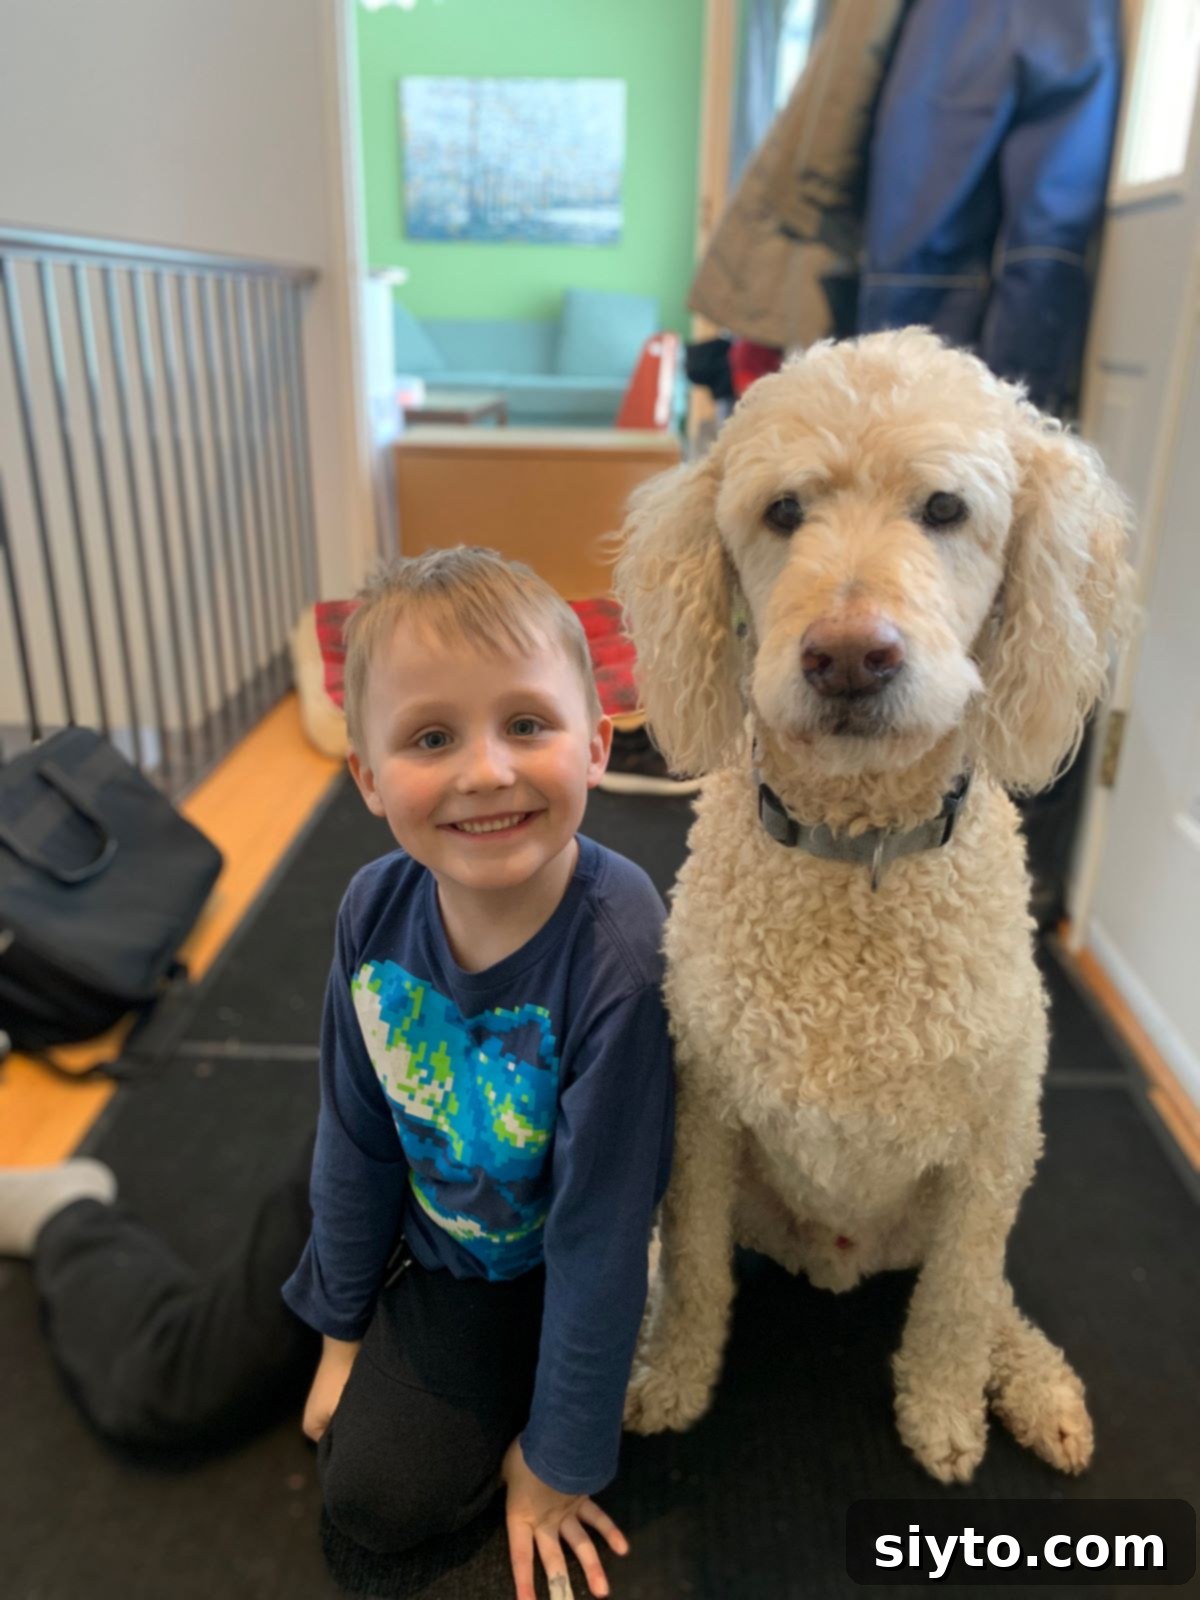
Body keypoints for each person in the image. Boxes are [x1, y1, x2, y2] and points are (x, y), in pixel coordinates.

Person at [0, 547, 675, 1600]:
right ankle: (70, 1219)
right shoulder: (372, 905)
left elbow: (600, 1231)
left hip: (507, 1269)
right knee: (165, 1395)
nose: (487, 770)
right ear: (366, 775)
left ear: (596, 742)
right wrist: (339, 1333)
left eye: (527, 725)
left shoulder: (619, 945)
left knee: (375, 1499)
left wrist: (558, 1461)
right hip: (373, 1192)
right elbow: (355, 1133)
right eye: (431, 737)